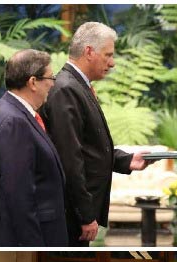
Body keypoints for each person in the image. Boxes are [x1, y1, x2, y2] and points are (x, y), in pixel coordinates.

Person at [40, 21, 149, 246]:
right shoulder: (67, 89)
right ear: (89, 51)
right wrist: (85, 215)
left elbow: (89, 146)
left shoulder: (78, 85)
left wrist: (127, 160)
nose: (113, 63)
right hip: (71, 214)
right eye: (108, 55)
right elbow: (70, 159)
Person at [0, 49, 68, 246]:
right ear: (33, 82)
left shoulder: (10, 111)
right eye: (51, 77)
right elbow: (19, 194)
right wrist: (35, 248)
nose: (53, 83)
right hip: (31, 236)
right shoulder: (13, 121)